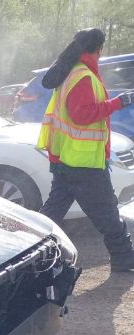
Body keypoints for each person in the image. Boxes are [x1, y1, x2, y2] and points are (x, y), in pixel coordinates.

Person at [37, 28, 134, 272]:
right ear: (99, 49)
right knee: (108, 213)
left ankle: (30, 253)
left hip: (67, 158)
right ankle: (125, 259)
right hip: (83, 162)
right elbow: (83, 115)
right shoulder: (83, 76)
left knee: (52, 212)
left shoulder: (72, 72)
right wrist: (117, 103)